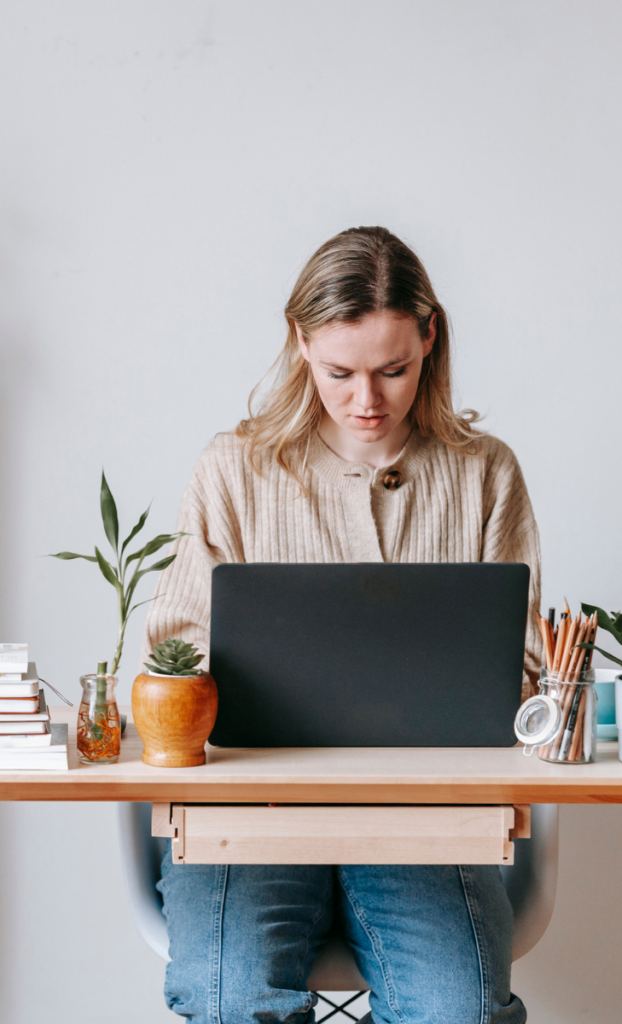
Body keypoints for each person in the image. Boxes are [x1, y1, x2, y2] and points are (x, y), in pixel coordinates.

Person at [141, 226, 541, 1024]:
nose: (368, 401)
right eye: (340, 373)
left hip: (426, 823)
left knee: (457, 1011)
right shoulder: (233, 468)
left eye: (393, 370)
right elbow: (173, 651)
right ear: (300, 342)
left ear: (429, 339)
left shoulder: (484, 471)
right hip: (249, 819)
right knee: (230, 1000)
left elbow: (522, 672)